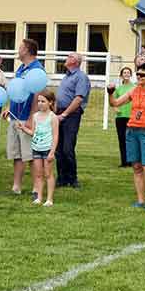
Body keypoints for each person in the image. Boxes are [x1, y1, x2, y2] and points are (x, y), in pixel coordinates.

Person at [107, 62, 145, 212]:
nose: (138, 77)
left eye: (142, 75)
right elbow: (115, 103)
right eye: (137, 74)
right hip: (132, 131)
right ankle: (140, 200)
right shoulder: (134, 90)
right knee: (136, 167)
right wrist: (110, 92)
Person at [6, 38, 45, 194]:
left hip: (27, 116)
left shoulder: (37, 69)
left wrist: (31, 117)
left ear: (27, 50)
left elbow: (37, 95)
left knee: (30, 154)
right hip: (15, 116)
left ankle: (37, 187)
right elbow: (17, 91)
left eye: (21, 47)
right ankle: (16, 186)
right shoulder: (21, 68)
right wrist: (9, 107)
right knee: (17, 154)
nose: (18, 50)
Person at [54, 52, 90, 189]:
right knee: (58, 148)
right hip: (59, 113)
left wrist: (65, 114)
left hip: (71, 115)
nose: (66, 58)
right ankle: (61, 178)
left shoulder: (81, 77)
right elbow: (60, 96)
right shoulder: (66, 77)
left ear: (75, 61)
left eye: (69, 57)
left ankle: (72, 178)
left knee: (68, 147)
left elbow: (79, 98)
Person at [21, 90, 59, 206]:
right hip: (36, 148)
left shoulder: (53, 117)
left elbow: (55, 136)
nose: (40, 103)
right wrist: (23, 128)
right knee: (38, 175)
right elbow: (33, 132)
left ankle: (49, 199)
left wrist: (52, 152)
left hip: (47, 149)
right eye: (38, 101)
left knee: (48, 174)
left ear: (50, 103)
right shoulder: (35, 116)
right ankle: (39, 197)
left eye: (43, 101)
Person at [112, 67, 135, 167]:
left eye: (128, 72)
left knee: (131, 139)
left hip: (131, 117)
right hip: (120, 117)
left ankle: (131, 161)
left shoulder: (134, 87)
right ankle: (124, 161)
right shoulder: (118, 89)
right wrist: (115, 108)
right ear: (121, 75)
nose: (126, 74)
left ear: (130, 75)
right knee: (122, 139)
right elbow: (113, 102)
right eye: (124, 73)